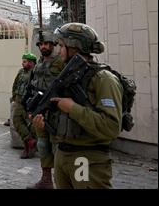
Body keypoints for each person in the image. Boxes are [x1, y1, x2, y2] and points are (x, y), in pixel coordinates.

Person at [32, 23, 123, 189]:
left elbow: (111, 127)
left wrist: (72, 108)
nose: (58, 51)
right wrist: (42, 126)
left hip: (87, 159)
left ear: (74, 47)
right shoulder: (68, 76)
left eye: (61, 45)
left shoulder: (104, 79)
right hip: (62, 155)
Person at [24, 31, 64, 189]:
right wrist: (30, 108)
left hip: (56, 110)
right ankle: (46, 180)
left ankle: (61, 181)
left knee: (57, 146)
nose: (43, 46)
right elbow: (32, 86)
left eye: (46, 44)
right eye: (41, 44)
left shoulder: (61, 62)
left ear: (53, 45)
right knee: (42, 145)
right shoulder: (39, 63)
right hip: (40, 111)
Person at [11, 53, 37, 159]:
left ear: (31, 62)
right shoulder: (21, 72)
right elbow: (16, 83)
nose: (23, 63)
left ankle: (28, 148)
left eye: (25, 61)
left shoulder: (35, 72)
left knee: (29, 124)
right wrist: (13, 96)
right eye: (23, 61)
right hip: (19, 100)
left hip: (29, 102)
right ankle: (30, 141)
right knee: (16, 121)